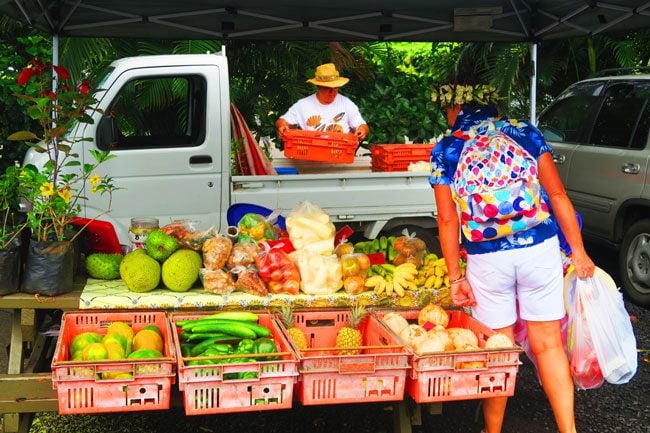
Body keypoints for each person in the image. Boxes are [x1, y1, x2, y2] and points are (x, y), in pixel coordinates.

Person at [429, 103, 595, 433]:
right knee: (548, 344)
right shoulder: (525, 132)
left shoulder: (447, 148)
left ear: (457, 104)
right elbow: (557, 194)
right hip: (539, 248)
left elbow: (448, 219)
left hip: (487, 258)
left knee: (499, 349)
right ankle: (568, 430)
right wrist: (578, 251)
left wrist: (454, 277)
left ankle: (493, 431)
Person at [275, 63, 369, 141]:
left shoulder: (347, 104)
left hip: (339, 154)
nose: (332, 92)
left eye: (335, 87)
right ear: (318, 87)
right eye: (327, 88)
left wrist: (362, 130)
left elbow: (362, 125)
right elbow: (282, 121)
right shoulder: (303, 105)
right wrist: (282, 126)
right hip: (311, 154)